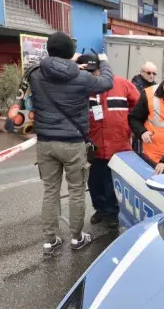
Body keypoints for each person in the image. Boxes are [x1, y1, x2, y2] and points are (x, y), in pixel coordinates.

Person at [30, 32, 114, 254]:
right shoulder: (82, 77)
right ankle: (77, 238)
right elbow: (106, 83)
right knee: (76, 190)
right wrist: (104, 63)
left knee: (50, 191)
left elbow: (55, 68)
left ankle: (50, 240)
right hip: (73, 143)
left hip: (45, 142)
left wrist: (69, 61)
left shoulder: (35, 74)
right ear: (70, 53)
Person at [80, 54, 139, 230]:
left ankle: (112, 213)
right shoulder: (84, 87)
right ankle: (100, 209)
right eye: (89, 72)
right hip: (94, 145)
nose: (93, 75)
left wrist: (130, 126)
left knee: (112, 182)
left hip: (118, 144)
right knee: (95, 181)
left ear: (102, 68)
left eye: (95, 71)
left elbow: (139, 104)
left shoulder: (122, 84)